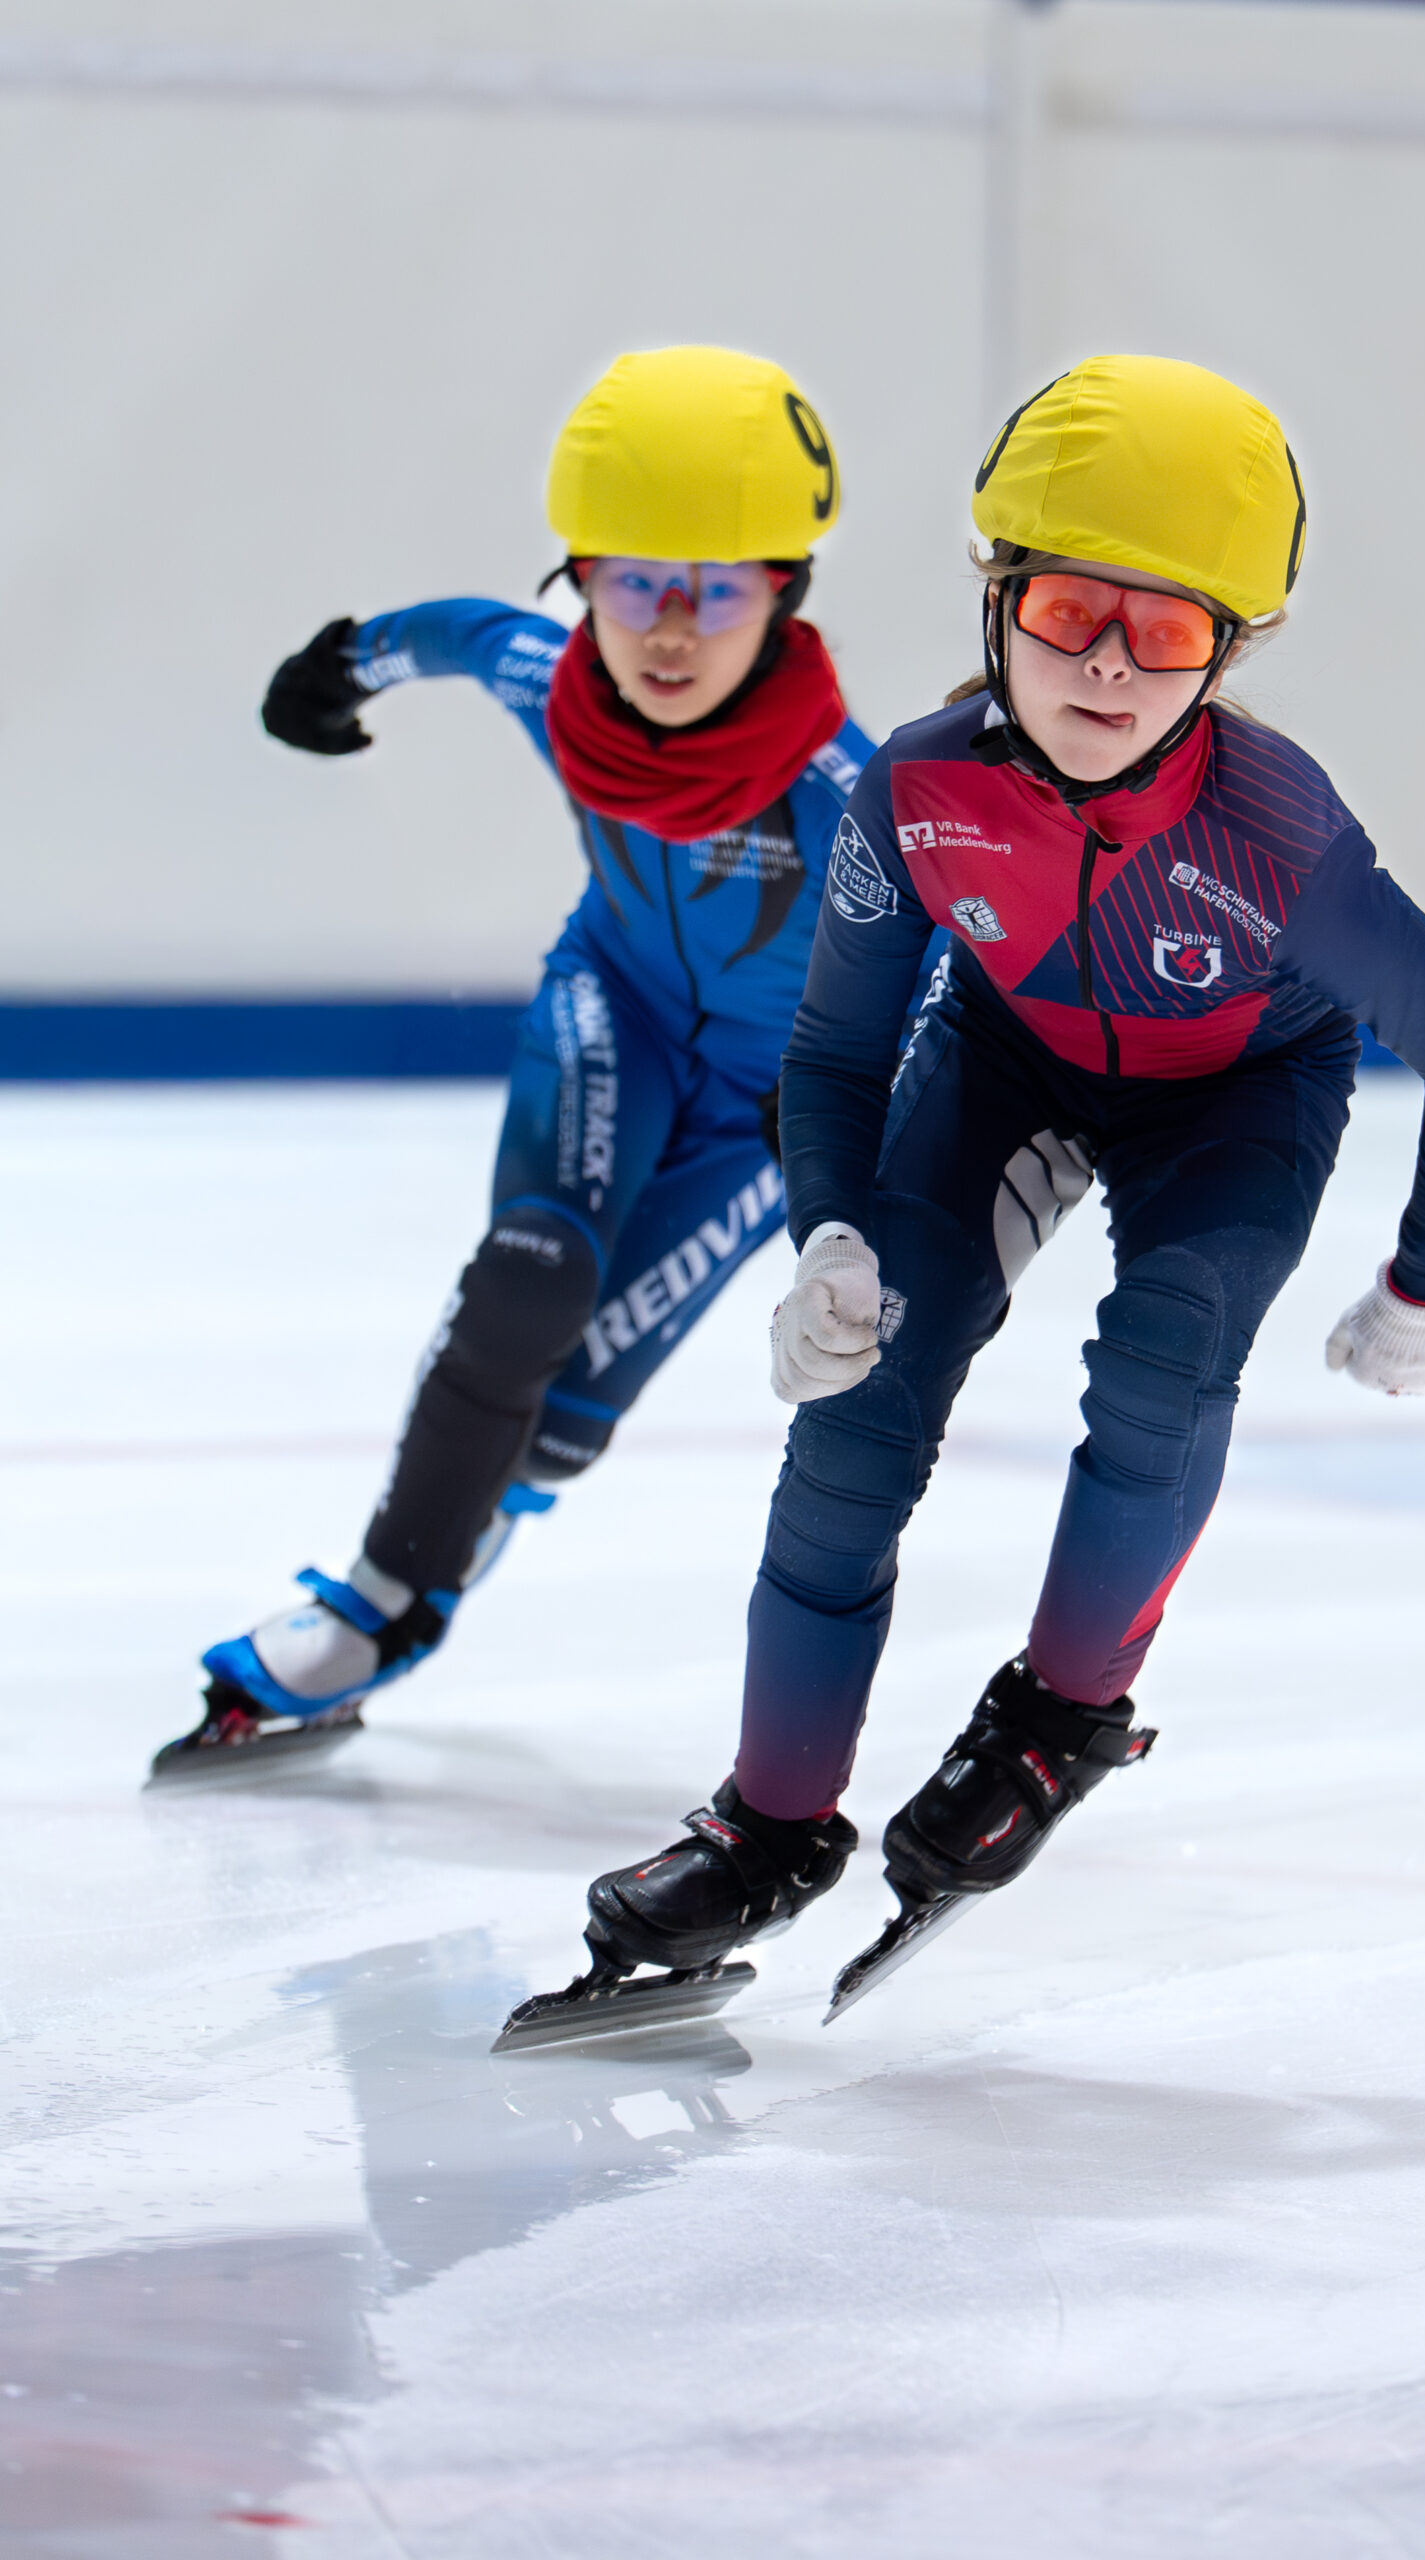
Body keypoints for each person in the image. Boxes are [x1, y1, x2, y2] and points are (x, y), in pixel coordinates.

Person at [515, 353, 1425, 2024]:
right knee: (855, 1413)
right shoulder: (918, 792)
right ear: (997, 602)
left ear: (1231, 651)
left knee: (1167, 1362)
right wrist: (831, 1235)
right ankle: (769, 1821)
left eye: (1169, 630)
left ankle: (1061, 1720)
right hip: (1008, 1069)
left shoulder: (1280, 835)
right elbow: (834, 1055)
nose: (1110, 665)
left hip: (1234, 1101)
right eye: (1068, 610)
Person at [152, 346, 872, 1780]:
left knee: (568, 1415)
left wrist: (855, 1101)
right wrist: (338, 672)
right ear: (582, 577)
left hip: (760, 1105)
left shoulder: (849, 794)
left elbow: (953, 965)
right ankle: (383, 1596)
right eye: (633, 586)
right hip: (611, 1007)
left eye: (717, 590)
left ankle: (445, 1552)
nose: (671, 632)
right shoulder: (549, 676)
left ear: (786, 594)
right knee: (529, 1280)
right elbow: (453, 634)